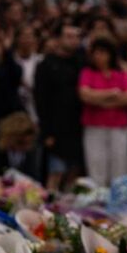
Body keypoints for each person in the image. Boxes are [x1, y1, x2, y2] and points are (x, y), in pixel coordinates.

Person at [78, 36, 127, 186]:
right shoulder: (88, 72)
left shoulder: (122, 73)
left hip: (118, 125)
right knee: (96, 164)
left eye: (103, 52)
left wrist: (99, 100)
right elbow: (85, 95)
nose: (99, 56)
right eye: (96, 53)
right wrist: (111, 94)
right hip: (95, 125)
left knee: (120, 164)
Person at [35, 24, 85, 191]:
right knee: (56, 171)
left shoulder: (82, 62)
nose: (74, 40)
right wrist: (46, 131)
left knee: (74, 172)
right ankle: (50, 209)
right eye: (69, 36)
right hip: (56, 127)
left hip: (78, 125)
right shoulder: (46, 65)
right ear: (58, 39)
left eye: (77, 36)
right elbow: (41, 100)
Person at [12, 25, 43, 123]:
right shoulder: (10, 61)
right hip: (14, 113)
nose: (27, 40)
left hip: (35, 113)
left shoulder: (41, 61)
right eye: (24, 36)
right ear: (17, 39)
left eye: (30, 36)